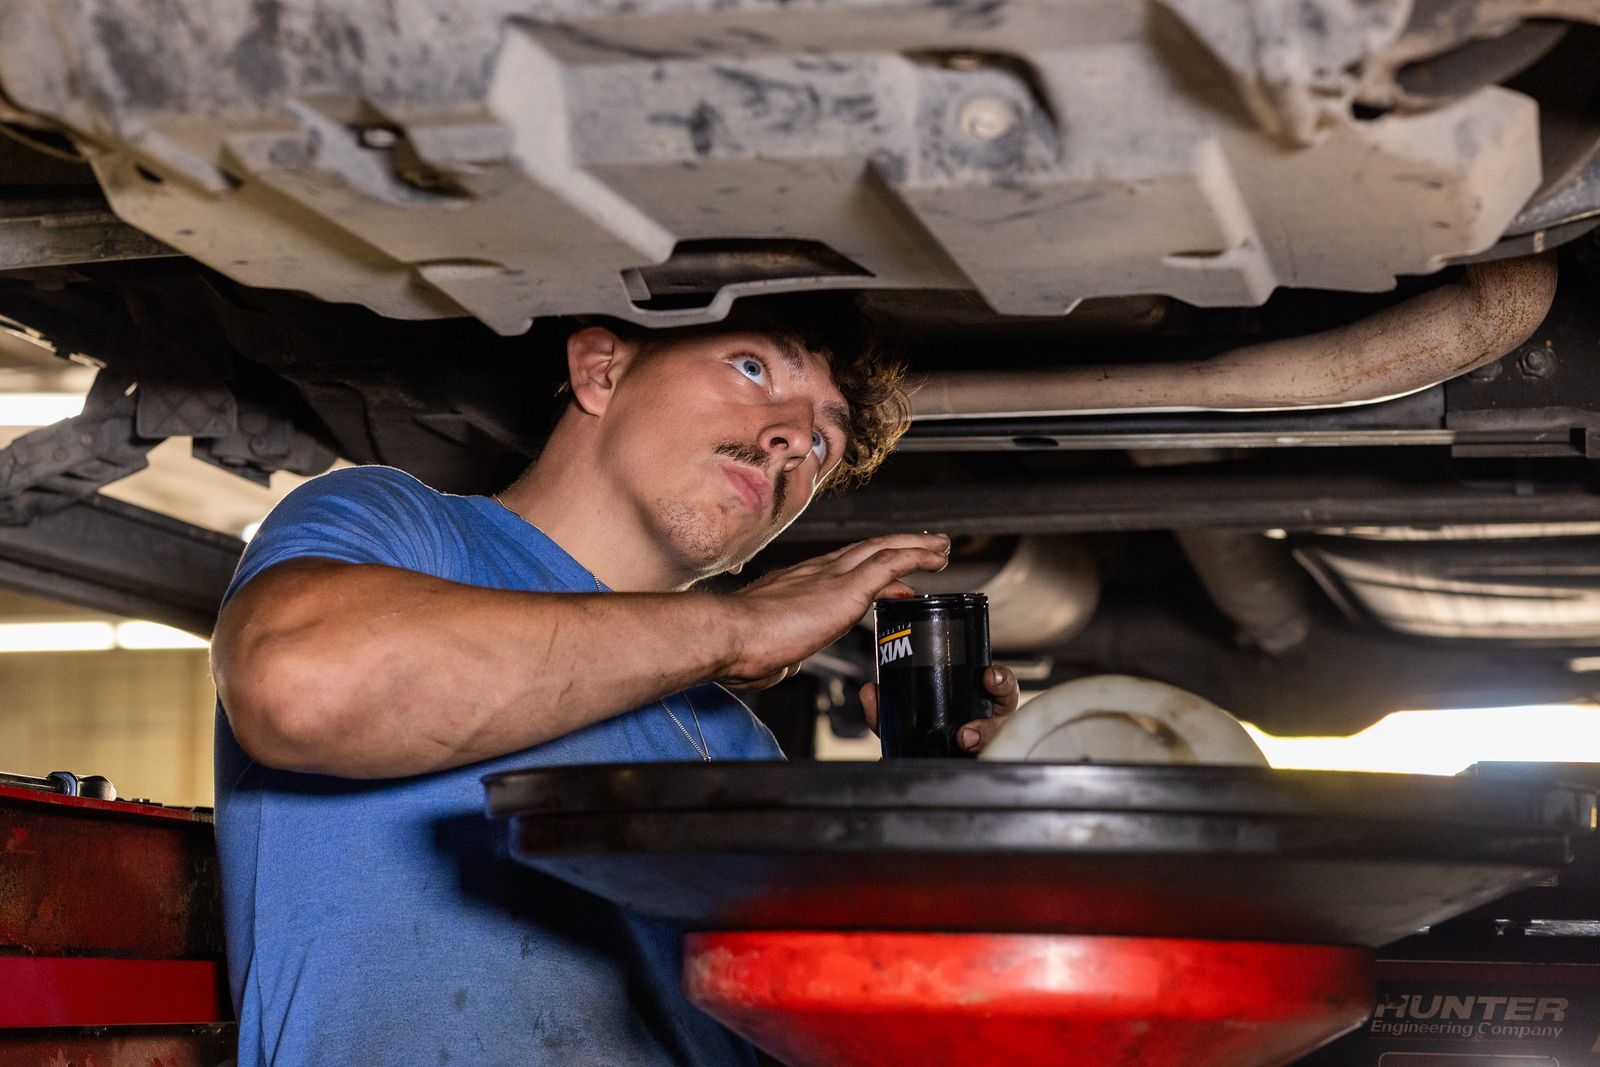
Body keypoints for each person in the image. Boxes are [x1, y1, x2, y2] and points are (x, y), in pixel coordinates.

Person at [209, 293, 1020, 1065]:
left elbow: (835, 1027)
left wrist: (955, 836)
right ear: (601, 369)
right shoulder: (401, 529)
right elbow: (299, 684)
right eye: (752, 370)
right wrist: (740, 627)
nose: (788, 440)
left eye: (822, 446)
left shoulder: (734, 742)